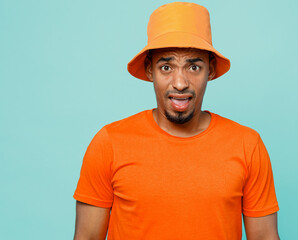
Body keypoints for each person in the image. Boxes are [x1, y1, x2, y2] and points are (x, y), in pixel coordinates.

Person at [73, 2, 280, 240]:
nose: (180, 83)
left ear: (210, 70)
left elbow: (264, 237)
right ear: (150, 70)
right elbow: (87, 237)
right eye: (166, 67)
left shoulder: (247, 145)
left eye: (193, 66)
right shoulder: (109, 143)